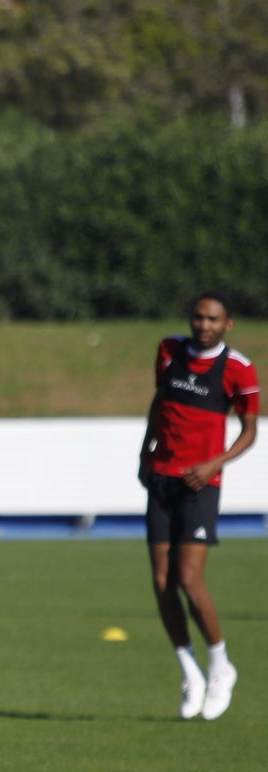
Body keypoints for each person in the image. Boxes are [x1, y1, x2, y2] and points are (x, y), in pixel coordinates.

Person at [139, 291, 258, 720]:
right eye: (197, 317)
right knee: (160, 581)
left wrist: (214, 464)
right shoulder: (169, 351)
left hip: (200, 486)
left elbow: (249, 432)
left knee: (189, 579)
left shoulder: (238, 369)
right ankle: (189, 669)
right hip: (161, 479)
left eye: (212, 319)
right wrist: (144, 453)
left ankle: (220, 664)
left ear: (227, 324)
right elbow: (160, 402)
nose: (203, 325)